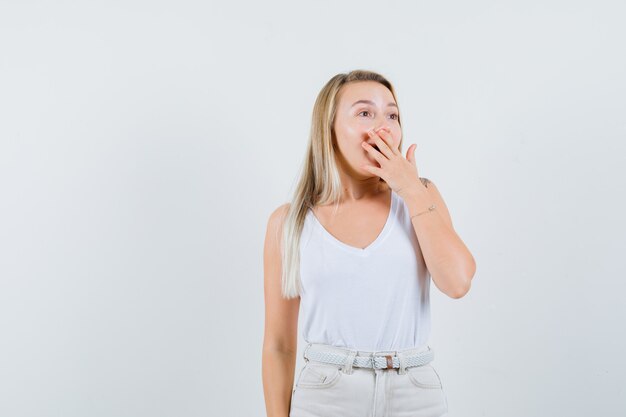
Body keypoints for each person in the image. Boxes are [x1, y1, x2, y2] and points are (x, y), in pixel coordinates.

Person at [262, 69, 476, 417]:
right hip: (325, 397)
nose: (383, 126)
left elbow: (457, 282)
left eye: (392, 115)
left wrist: (409, 189)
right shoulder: (289, 223)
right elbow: (278, 345)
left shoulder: (420, 198)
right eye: (365, 113)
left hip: (415, 394)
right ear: (329, 129)